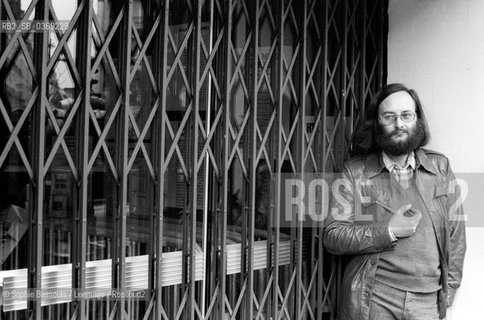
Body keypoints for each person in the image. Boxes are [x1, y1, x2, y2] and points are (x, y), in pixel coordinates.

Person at [323, 83, 466, 320]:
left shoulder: (440, 167)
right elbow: (333, 235)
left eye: (406, 115)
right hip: (374, 298)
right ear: (377, 122)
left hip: (427, 302)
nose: (399, 123)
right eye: (389, 117)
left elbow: (456, 236)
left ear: (417, 119)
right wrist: (388, 231)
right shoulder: (355, 171)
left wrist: (447, 293)